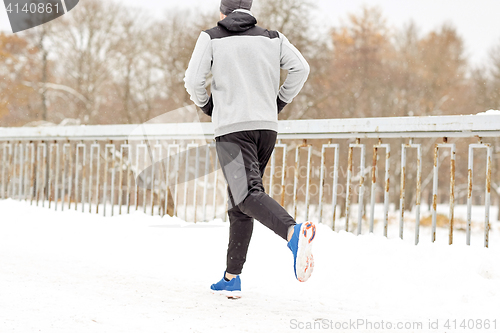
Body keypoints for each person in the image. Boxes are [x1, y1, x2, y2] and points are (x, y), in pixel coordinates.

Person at [184, 0, 315, 299]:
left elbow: (193, 80)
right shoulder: (272, 38)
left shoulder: (212, 37)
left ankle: (293, 234)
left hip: (232, 128)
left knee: (246, 194)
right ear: (249, 10)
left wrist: (207, 105)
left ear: (222, 11)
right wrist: (278, 102)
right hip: (266, 128)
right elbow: (301, 68)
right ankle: (232, 276)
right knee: (241, 199)